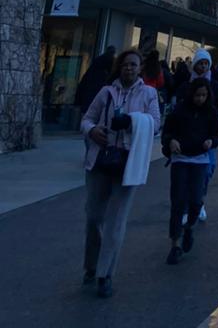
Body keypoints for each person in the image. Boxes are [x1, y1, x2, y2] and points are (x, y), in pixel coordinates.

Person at [80, 48, 161, 298]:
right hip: (101, 160)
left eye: (134, 64)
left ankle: (105, 274)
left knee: (116, 221)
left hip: (128, 162)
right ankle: (91, 264)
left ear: (140, 68)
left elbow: (156, 124)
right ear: (120, 67)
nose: (129, 68)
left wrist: (132, 120)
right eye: (126, 64)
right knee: (94, 217)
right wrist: (92, 131)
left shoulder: (149, 94)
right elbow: (86, 119)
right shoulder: (106, 92)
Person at [162, 77, 218, 264]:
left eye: (203, 95)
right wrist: (171, 141)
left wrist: (211, 141)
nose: (200, 99)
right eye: (197, 95)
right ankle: (175, 244)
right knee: (178, 201)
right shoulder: (179, 110)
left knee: (196, 200)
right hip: (180, 159)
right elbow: (167, 131)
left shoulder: (211, 113)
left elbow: (216, 135)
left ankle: (189, 226)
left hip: (200, 159)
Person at [75, 46, 116, 115]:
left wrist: (78, 101)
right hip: (97, 100)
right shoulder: (110, 65)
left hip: (88, 99)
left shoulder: (95, 64)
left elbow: (83, 83)